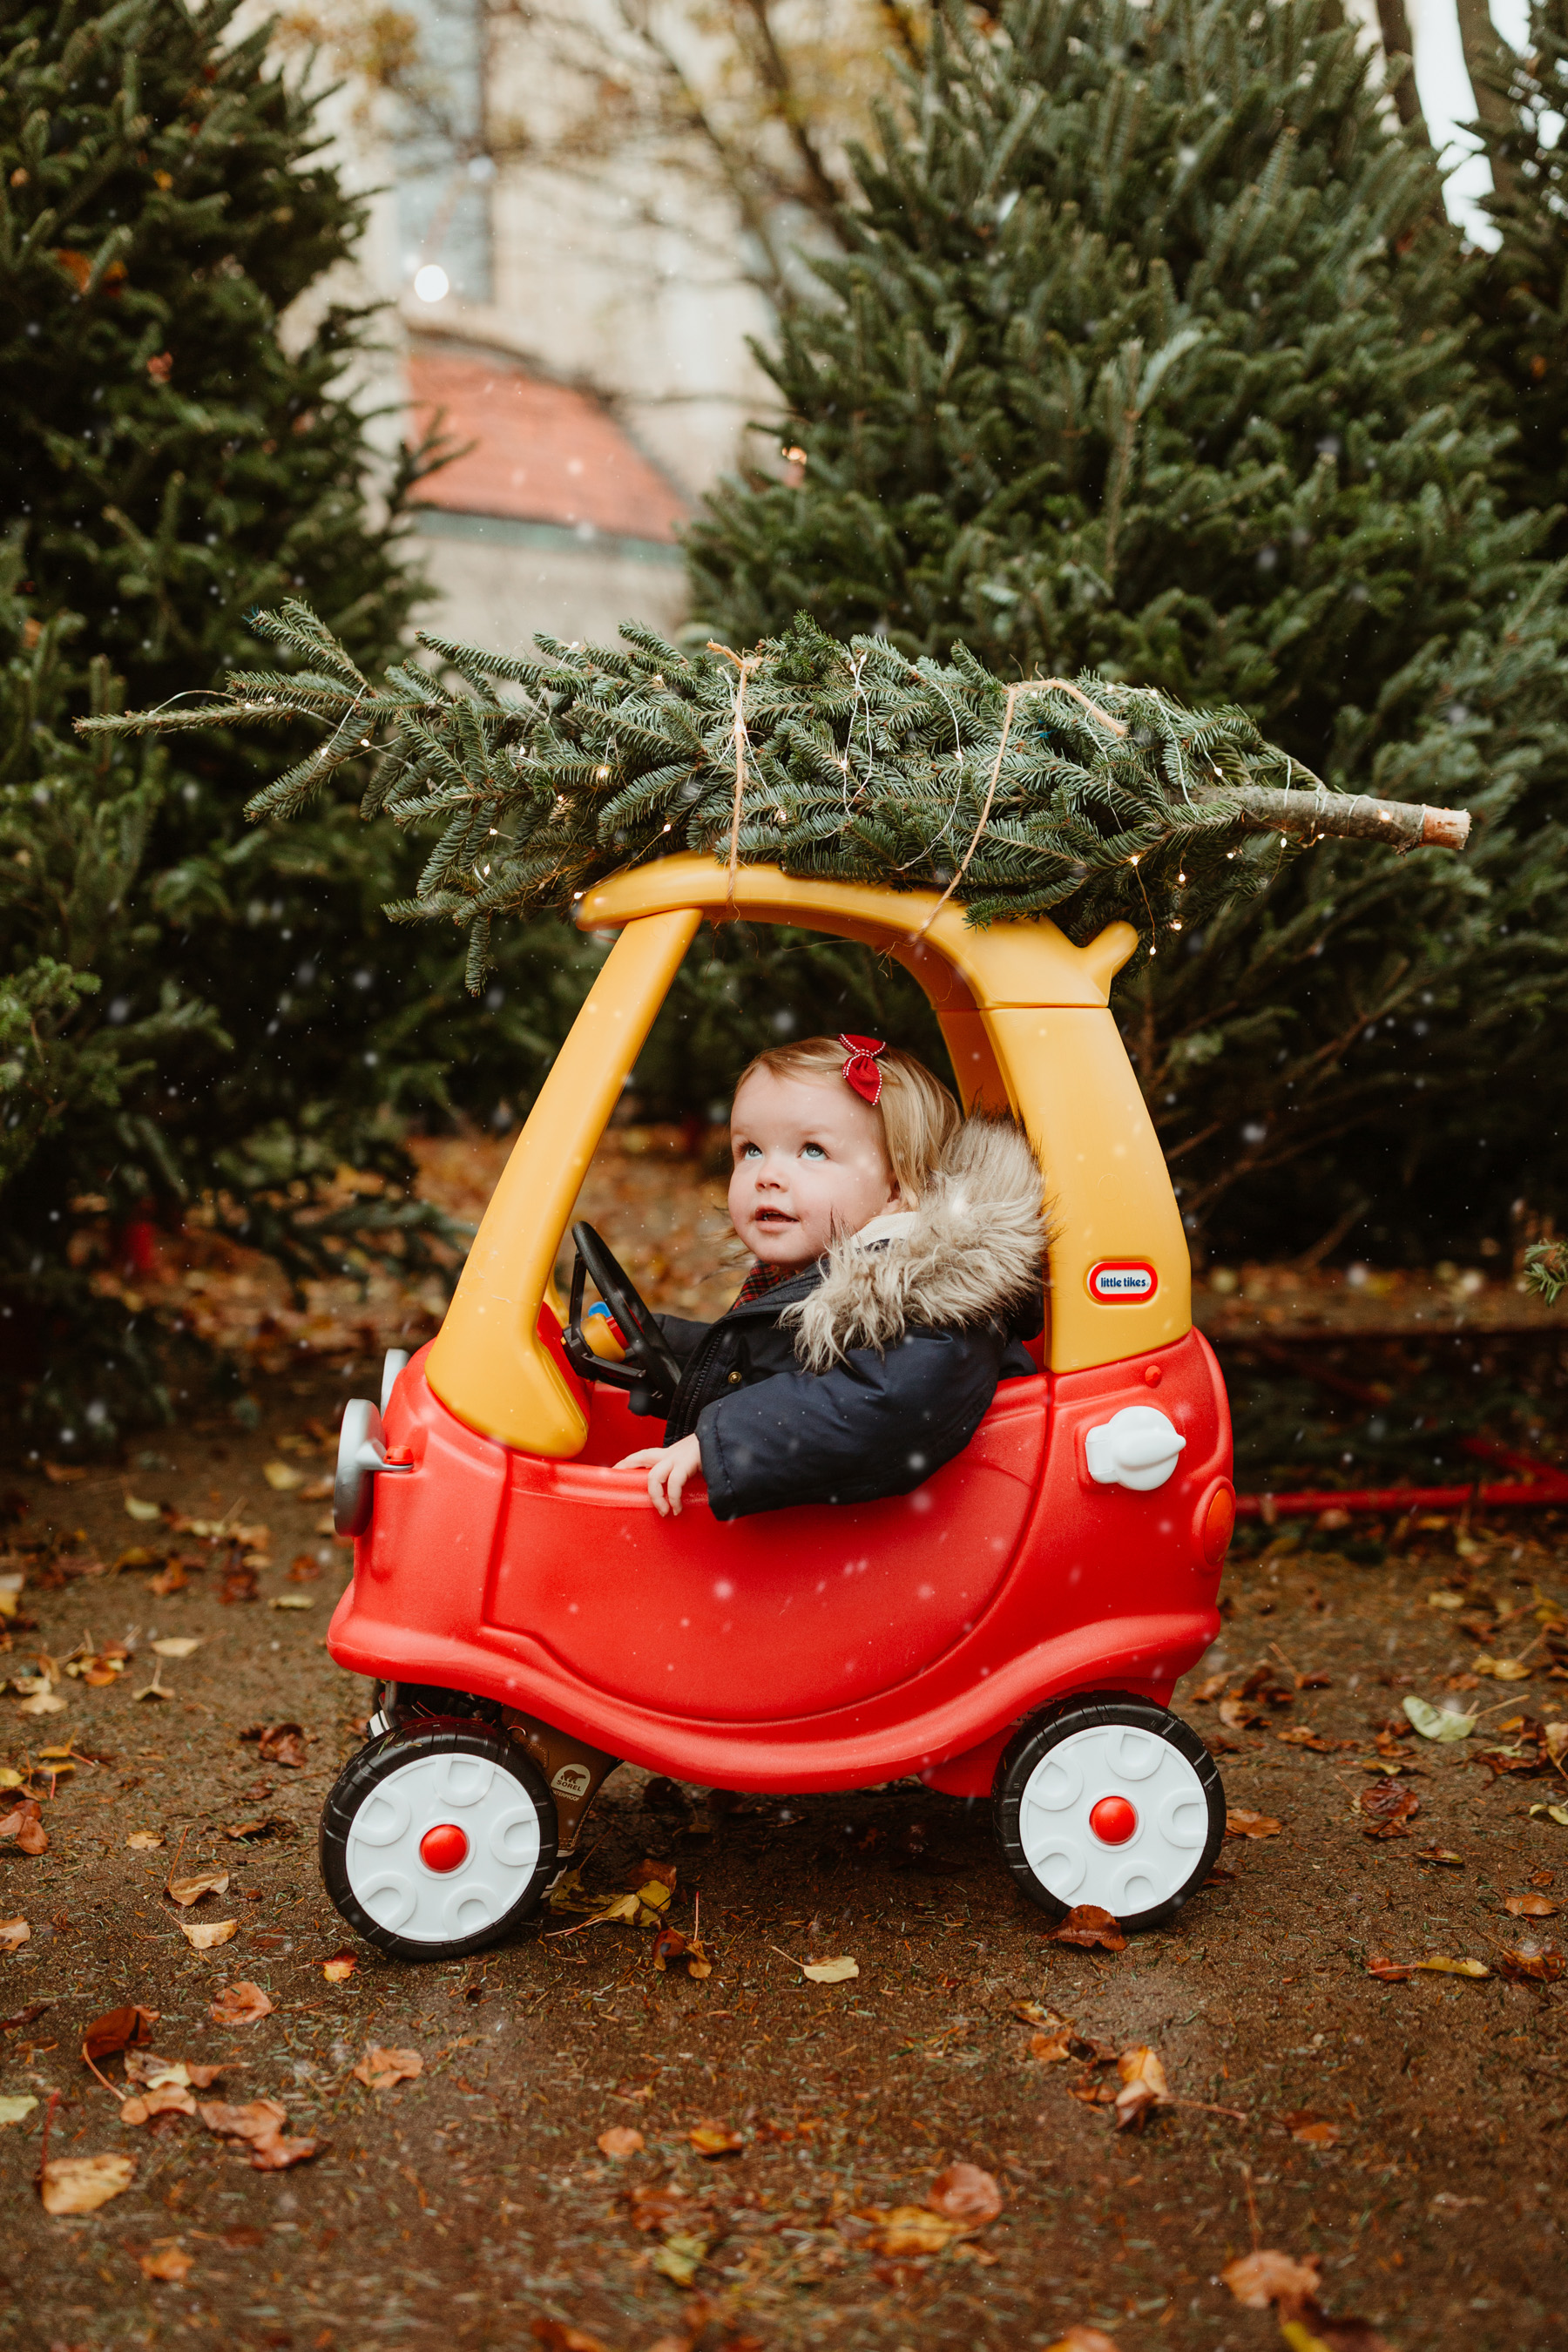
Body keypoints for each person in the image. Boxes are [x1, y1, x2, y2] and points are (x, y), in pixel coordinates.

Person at [613, 1033, 1049, 1520]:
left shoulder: (931, 1300)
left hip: (912, 1548)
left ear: (895, 1189)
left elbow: (879, 1406)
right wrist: (652, 1344)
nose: (766, 1175)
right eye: (750, 1149)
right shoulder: (815, 1270)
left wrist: (720, 1441)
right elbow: (774, 1364)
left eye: (813, 1151)